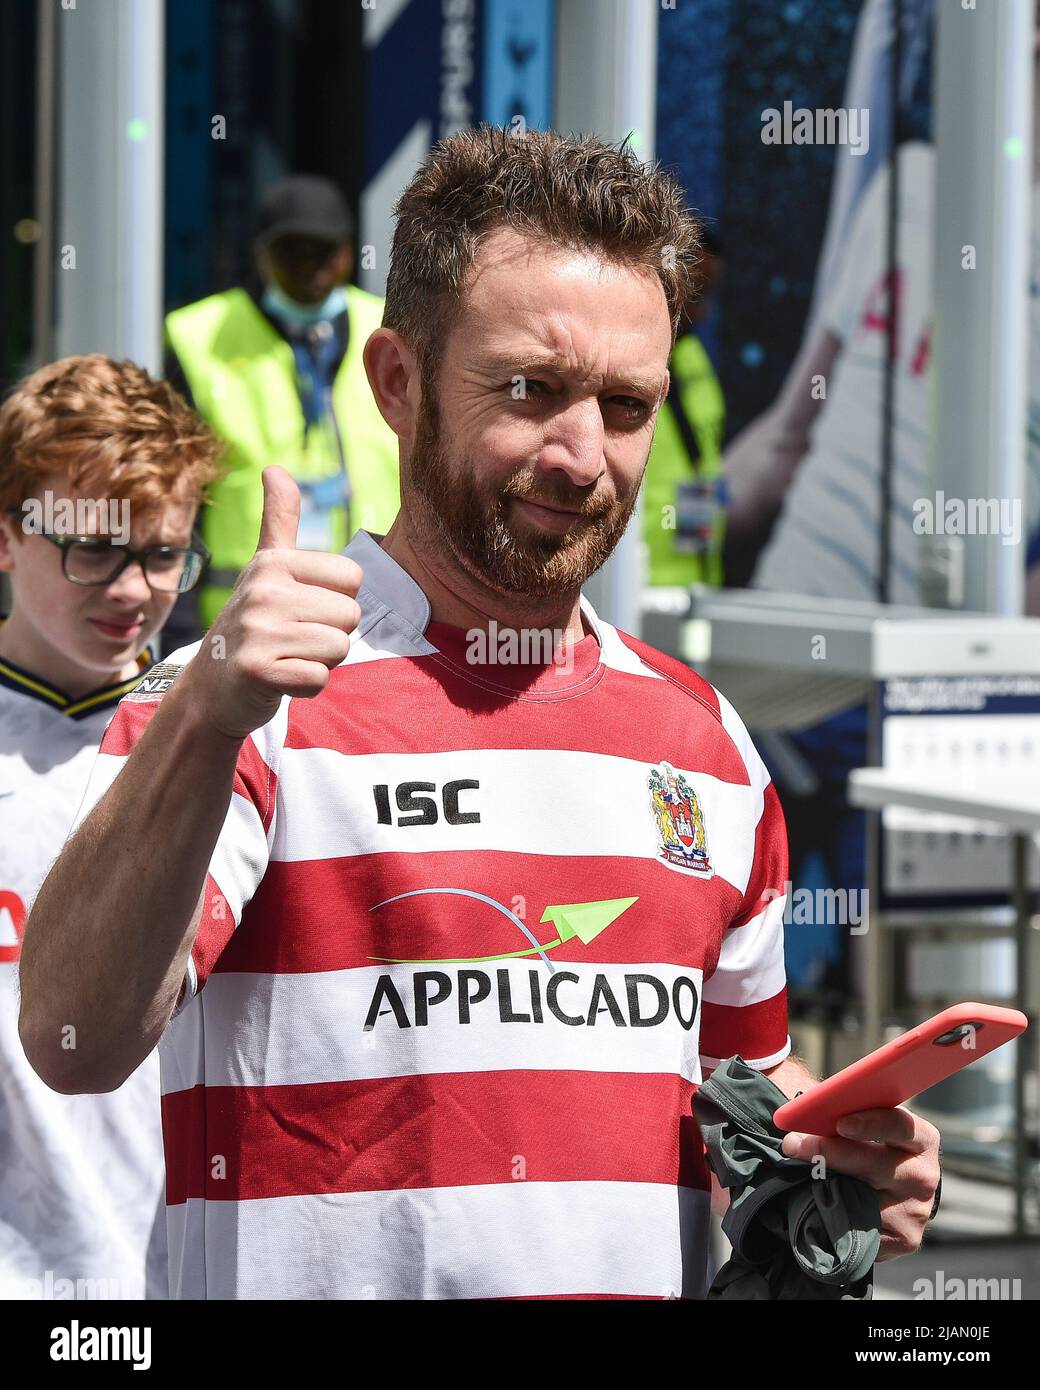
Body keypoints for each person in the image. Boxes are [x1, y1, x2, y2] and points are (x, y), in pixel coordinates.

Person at [21, 127, 940, 1301]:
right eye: (529, 390)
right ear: (397, 383)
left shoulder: (705, 745)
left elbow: (745, 1116)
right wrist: (206, 717)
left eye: (624, 404)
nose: (580, 455)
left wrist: (839, 1165)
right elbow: (70, 1040)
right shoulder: (242, 701)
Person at [0, 353, 221, 1299]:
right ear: (5, 538)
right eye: (92, 548)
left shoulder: (232, 732)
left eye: (164, 553)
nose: (133, 590)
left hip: (182, 1281)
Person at [165, 173, 401, 640]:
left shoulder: (390, 328)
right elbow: (175, 490)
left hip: (378, 619)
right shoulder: (199, 336)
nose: (309, 266)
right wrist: (180, 617)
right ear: (260, 253)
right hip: (241, 620)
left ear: (349, 252)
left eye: (324, 250)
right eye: (291, 250)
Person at [641, 227, 727, 588]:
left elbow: (705, 466)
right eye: (698, 292)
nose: (704, 311)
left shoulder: (693, 357)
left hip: (697, 579)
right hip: (635, 588)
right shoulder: (617, 368)